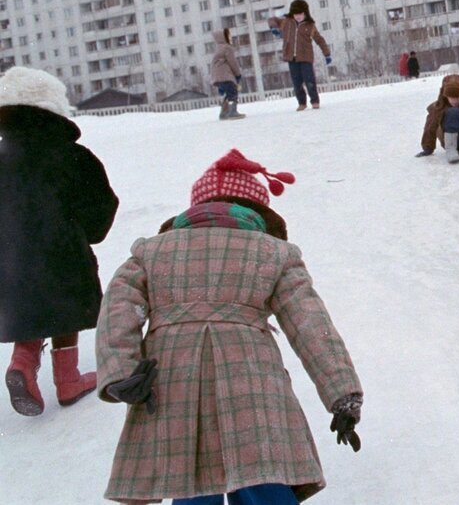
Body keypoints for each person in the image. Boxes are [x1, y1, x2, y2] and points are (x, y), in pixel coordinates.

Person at [96, 149, 362, 505]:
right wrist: (342, 395)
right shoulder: (274, 252)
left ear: (194, 209)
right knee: (262, 475)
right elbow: (311, 324)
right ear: (258, 211)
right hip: (252, 383)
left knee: (189, 480)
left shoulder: (151, 251)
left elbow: (118, 307)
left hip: (172, 381)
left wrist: (121, 371)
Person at [1, 67, 119, 417]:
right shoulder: (74, 156)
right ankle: (68, 379)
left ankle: (22, 362)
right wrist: (82, 232)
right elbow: (102, 207)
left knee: (30, 306)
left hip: (10, 259)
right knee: (65, 303)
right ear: (53, 109)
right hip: (63, 254)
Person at [267, 0, 332, 111]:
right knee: (297, 83)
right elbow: (271, 19)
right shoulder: (286, 22)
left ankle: (315, 101)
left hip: (306, 57)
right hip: (291, 58)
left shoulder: (310, 26)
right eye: (296, 14)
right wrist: (274, 28)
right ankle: (302, 102)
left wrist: (327, 54)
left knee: (309, 80)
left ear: (305, 13)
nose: (298, 17)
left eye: (300, 14)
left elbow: (319, 40)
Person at [210, 28, 246, 120]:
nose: (230, 37)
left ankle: (224, 112)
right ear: (224, 37)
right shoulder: (227, 47)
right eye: (228, 35)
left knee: (228, 93)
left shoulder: (218, 48)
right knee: (233, 93)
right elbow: (232, 62)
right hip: (225, 76)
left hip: (217, 77)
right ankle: (232, 112)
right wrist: (237, 74)